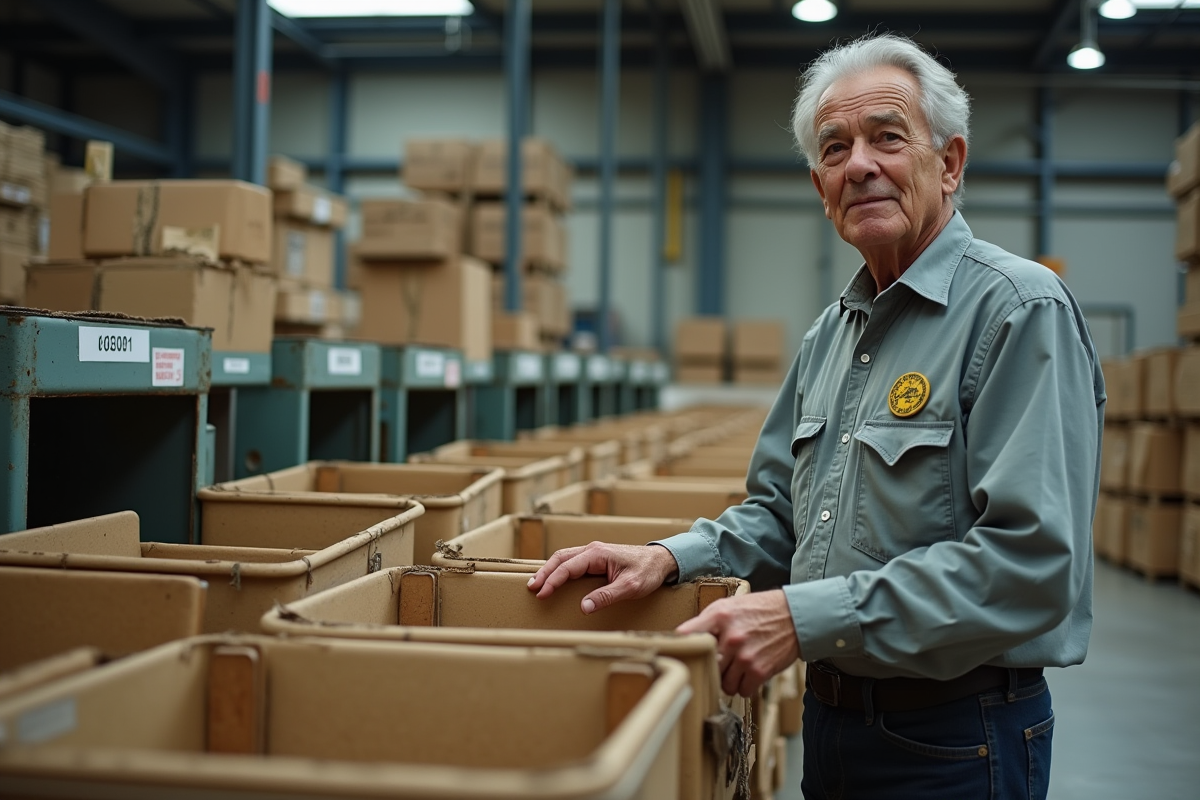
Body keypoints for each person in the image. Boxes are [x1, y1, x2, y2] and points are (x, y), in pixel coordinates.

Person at [528, 32, 1104, 800]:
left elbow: (1034, 565)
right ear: (820, 186)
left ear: (951, 162)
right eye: (835, 149)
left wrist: (804, 620)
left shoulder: (1018, 311)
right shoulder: (831, 336)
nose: (859, 164)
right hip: (834, 729)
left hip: (957, 739)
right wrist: (669, 557)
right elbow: (782, 518)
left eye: (887, 138)